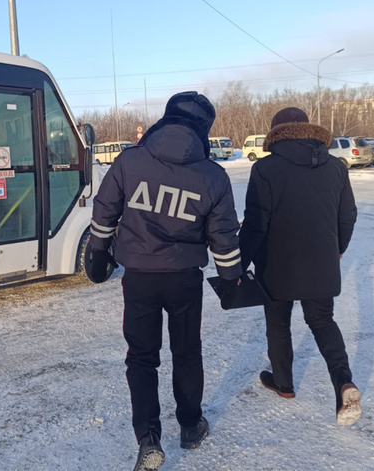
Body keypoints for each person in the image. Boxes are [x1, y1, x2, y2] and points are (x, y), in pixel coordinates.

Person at [86, 91, 242, 471]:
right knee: (187, 352)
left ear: (167, 117)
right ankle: (190, 426)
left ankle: (149, 438)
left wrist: (97, 251)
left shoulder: (130, 161)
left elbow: (105, 210)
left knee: (142, 357)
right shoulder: (213, 176)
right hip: (184, 279)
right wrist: (232, 277)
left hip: (138, 277)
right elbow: (223, 236)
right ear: (205, 128)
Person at [239, 107, 361, 426]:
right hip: (321, 263)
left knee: (278, 323)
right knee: (322, 321)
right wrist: (337, 250)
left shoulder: (265, 168)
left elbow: (255, 224)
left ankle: (284, 384)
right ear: (307, 131)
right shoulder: (336, 166)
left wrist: (238, 265)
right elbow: (347, 215)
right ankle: (343, 383)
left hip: (275, 267)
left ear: (276, 132)